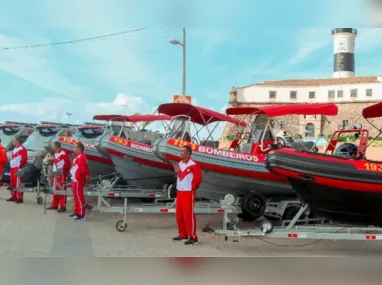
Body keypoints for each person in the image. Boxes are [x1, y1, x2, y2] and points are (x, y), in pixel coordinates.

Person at [173, 145, 203, 245]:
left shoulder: (193, 164)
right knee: (179, 214)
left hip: (188, 193)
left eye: (182, 151)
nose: (180, 153)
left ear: (188, 153)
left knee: (188, 214)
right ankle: (183, 234)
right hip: (180, 192)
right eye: (180, 151)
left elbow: (198, 178)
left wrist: (192, 187)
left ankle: (193, 237)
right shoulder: (180, 163)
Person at [46, 142, 71, 212]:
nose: (53, 147)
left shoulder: (63, 153)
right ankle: (54, 205)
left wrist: (65, 174)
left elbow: (67, 164)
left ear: (56, 147)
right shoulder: (56, 154)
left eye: (53, 146)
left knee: (61, 190)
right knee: (55, 189)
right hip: (55, 173)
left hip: (61, 174)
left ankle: (63, 206)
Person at [69, 142, 89, 221]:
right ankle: (77, 211)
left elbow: (82, 170)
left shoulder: (81, 157)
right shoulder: (77, 157)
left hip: (78, 180)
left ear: (79, 148)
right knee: (76, 196)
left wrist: (78, 177)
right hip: (75, 179)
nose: (74, 149)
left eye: (75, 147)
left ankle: (81, 214)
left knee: (79, 197)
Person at [7, 137, 28, 203]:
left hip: (18, 168)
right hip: (13, 167)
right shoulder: (15, 149)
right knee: (13, 183)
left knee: (18, 183)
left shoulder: (22, 148)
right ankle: (14, 196)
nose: (12, 142)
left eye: (14, 140)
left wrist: (20, 166)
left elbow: (24, 158)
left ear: (17, 141)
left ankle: (20, 198)